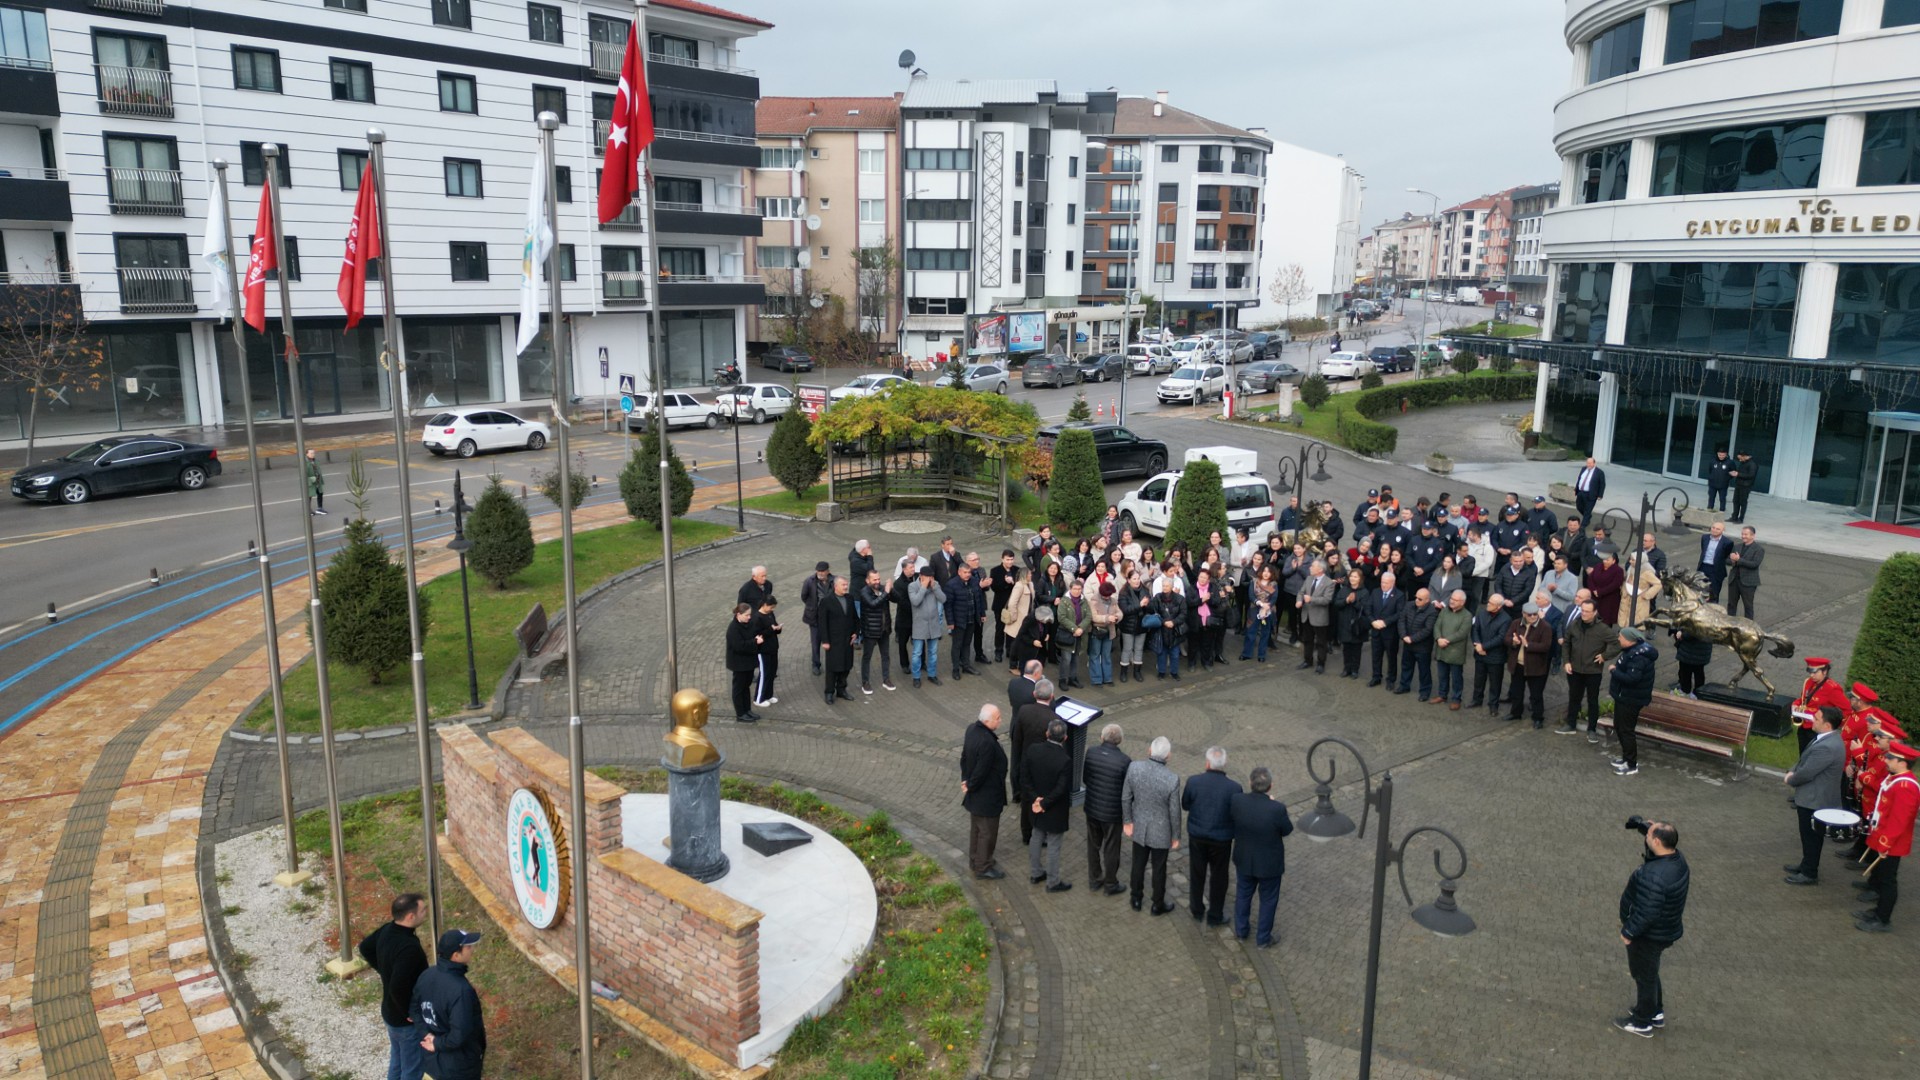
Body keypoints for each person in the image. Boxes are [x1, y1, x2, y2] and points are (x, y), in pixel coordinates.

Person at [1615, 820, 1688, 1038]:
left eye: (1649, 836)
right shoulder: (1677, 860)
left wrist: (1629, 932)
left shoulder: (1654, 876)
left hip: (1648, 935)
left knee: (1644, 976)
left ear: (1656, 841)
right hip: (1665, 930)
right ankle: (1655, 1012)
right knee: (1651, 971)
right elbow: (1659, 840)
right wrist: (1644, 826)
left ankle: (1641, 1021)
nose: (1646, 838)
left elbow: (1648, 912)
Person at [358, 893, 428, 1080]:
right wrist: (409, 1012)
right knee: (412, 1069)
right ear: (411, 916)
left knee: (397, 1062)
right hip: (405, 1022)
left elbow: (365, 947)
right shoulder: (409, 949)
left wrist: (384, 969)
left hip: (390, 1013)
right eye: (423, 910)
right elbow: (398, 987)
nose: (426, 913)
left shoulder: (388, 930)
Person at [1857, 742, 1918, 933]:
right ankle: (1878, 912)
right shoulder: (1896, 779)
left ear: (1902, 762)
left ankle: (1883, 919)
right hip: (1883, 836)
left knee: (1888, 880)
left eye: (1890, 758)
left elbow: (1899, 820)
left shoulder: (1906, 786)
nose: (1886, 760)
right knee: (1882, 877)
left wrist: (1885, 843)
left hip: (1891, 842)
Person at [1230, 766, 1293, 948]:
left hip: (1245, 859)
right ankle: (1263, 938)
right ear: (1270, 786)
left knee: (1243, 895)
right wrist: (1272, 804)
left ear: (1250, 783)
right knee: (1268, 900)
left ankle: (1241, 931)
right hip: (1269, 865)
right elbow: (1287, 830)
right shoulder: (1277, 809)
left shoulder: (1237, 801)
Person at [410, 928, 486, 1080]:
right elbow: (459, 1035)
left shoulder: (427, 975)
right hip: (459, 1066)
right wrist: (437, 1043)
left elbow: (414, 1009)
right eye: (468, 947)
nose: (471, 950)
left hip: (430, 1062)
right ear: (456, 955)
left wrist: (427, 1035)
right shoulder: (461, 990)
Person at [1783, 705, 1846, 885]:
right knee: (1808, 836)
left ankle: (1810, 873)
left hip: (1814, 800)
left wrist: (1791, 779)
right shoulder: (1825, 739)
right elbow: (1805, 759)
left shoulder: (1827, 746)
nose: (1812, 719)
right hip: (1814, 797)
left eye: (1817, 718)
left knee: (1811, 837)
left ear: (1827, 725)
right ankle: (1806, 864)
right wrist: (1792, 770)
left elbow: (1808, 772)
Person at [1122, 736, 1183, 915]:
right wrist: (1176, 835)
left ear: (1149, 750)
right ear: (1168, 756)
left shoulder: (1134, 768)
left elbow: (1126, 797)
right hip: (1161, 831)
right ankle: (1157, 904)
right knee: (1159, 868)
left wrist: (1128, 821)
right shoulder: (1172, 779)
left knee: (1138, 864)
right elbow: (1174, 811)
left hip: (1139, 826)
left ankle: (1136, 898)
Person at [1182, 746, 1241, 926]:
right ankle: (1215, 915)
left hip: (1197, 836)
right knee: (1219, 877)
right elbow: (1235, 814)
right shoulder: (1234, 787)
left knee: (1197, 873)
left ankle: (1197, 909)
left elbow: (1185, 805)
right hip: (1222, 840)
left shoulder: (1193, 782)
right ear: (1224, 764)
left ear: (1207, 763)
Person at [1022, 718, 1074, 892]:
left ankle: (1036, 873)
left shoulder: (1033, 750)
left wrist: (1036, 799)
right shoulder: (1065, 760)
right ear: (1065, 737)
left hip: (1036, 805)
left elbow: (1025, 778)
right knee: (1053, 844)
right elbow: (1061, 789)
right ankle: (1053, 882)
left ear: (1047, 733)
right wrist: (1045, 803)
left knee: (1036, 836)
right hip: (1054, 809)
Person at [960, 703, 1009, 880]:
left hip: (976, 795)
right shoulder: (987, 741)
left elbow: (964, 757)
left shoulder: (971, 729)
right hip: (987, 795)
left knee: (977, 830)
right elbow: (982, 769)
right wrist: (971, 784)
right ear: (987, 721)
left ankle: (976, 859)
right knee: (987, 832)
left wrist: (965, 780)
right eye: (998, 718)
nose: (1000, 720)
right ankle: (983, 866)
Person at [1082, 723, 1132, 895]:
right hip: (1112, 813)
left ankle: (1095, 879)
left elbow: (1086, 778)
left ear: (1102, 737)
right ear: (1120, 740)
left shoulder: (1091, 752)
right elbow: (1127, 791)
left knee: (1093, 845)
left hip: (1092, 808)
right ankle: (1110, 883)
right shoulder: (1125, 761)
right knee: (1111, 847)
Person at [1010, 680, 1058, 847]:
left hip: (1026, 761)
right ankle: (1040, 832)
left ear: (1034, 694)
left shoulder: (1024, 711)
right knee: (1042, 799)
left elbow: (1017, 739)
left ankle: (1026, 834)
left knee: (1026, 799)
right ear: (1051, 697)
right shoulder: (1054, 718)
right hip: (1044, 766)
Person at [1608, 627, 1659, 776]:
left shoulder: (1638, 657)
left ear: (1630, 640)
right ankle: (1626, 758)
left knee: (1626, 730)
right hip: (1624, 696)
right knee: (1619, 726)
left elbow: (1632, 679)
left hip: (1631, 699)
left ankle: (1631, 764)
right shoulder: (1631, 651)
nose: (1619, 639)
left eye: (1621, 637)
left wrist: (1614, 671)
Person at [1561, 598, 1615, 740]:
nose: (1583, 614)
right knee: (1574, 697)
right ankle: (1570, 723)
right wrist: (1566, 661)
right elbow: (1566, 643)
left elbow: (1617, 644)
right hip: (1575, 669)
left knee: (1592, 700)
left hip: (1593, 671)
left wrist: (1605, 656)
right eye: (1582, 610)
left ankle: (1592, 728)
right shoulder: (1575, 624)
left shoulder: (1603, 629)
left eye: (1587, 611)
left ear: (1595, 612)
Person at [1507, 601, 1553, 727]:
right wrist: (1514, 641)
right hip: (1518, 665)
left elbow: (1546, 646)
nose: (1533, 617)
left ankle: (1538, 718)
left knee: (1536, 695)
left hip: (1535, 667)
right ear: (1523, 614)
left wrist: (1528, 645)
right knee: (1517, 692)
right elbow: (1507, 638)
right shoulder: (1516, 623)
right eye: (1530, 615)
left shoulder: (1545, 627)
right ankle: (1516, 713)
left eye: (1535, 614)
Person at [1792, 656, 1850, 754]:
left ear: (1825, 672)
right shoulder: (1808, 682)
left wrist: (1832, 724)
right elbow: (1804, 699)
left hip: (1818, 729)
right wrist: (1795, 704)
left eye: (1815, 672)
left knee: (1814, 757)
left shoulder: (1832, 688)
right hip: (1804, 725)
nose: (1812, 675)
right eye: (1810, 672)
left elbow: (1847, 710)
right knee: (1803, 754)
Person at [1469, 595, 1512, 714]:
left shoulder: (1506, 619)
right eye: (1488, 602)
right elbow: (1475, 629)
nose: (1488, 604)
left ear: (1498, 607)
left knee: (1495, 682)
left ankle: (1493, 704)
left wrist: (1483, 646)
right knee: (1479, 679)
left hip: (1495, 656)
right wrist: (1477, 645)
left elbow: (1500, 638)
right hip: (1480, 653)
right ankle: (1477, 699)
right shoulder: (1481, 613)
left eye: (1491, 603)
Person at [1365, 571, 1406, 688]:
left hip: (1390, 633)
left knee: (1391, 657)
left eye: (1386, 583)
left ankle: (1391, 679)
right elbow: (1368, 608)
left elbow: (1399, 613)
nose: (1383, 585)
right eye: (1382, 582)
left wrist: (1385, 622)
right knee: (1376, 655)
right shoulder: (1375, 592)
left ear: (1393, 583)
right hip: (1376, 630)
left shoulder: (1399, 595)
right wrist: (1372, 621)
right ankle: (1376, 677)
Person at [1433, 589, 1472, 710]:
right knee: (1442, 674)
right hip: (1441, 648)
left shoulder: (1467, 615)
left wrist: (1446, 640)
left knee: (1456, 677)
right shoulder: (1444, 611)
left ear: (1462, 602)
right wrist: (1439, 638)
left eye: (1455, 600)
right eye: (1451, 599)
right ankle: (1442, 695)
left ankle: (1456, 698)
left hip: (1455, 651)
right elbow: (1437, 625)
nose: (1452, 601)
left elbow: (1462, 633)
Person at [1396, 587, 1438, 699]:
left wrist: (1412, 639)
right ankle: (1404, 686)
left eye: (1420, 599)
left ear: (1427, 600)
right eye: (1416, 597)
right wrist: (1404, 635)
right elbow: (1402, 620)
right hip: (1408, 643)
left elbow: (1427, 630)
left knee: (1424, 670)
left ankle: (1425, 691)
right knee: (1406, 666)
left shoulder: (1432, 612)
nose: (1416, 600)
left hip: (1422, 647)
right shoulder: (1409, 605)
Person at [943, 560, 982, 679]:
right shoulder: (951, 585)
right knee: (957, 645)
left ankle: (966, 666)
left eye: (969, 572)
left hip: (971, 619)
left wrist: (981, 614)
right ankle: (955, 669)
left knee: (967, 643)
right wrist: (950, 622)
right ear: (959, 572)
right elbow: (948, 605)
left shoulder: (974, 582)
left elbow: (978, 599)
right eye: (965, 572)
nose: (967, 575)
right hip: (959, 621)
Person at [724, 603, 763, 723]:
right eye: (746, 615)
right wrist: (755, 641)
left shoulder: (748, 624)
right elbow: (739, 646)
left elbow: (754, 632)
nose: (749, 617)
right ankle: (740, 713)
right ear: (738, 615)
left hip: (748, 661)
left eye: (750, 615)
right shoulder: (733, 629)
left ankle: (747, 710)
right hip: (739, 663)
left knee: (746, 687)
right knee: (739, 688)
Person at [858, 569, 895, 694]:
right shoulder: (864, 592)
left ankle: (886, 679)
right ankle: (865, 682)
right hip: (870, 630)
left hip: (884, 630)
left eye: (878, 579)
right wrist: (886, 592)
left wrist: (892, 589)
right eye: (874, 580)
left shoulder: (882, 589)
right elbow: (873, 604)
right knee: (867, 657)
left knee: (886, 656)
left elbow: (897, 598)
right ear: (867, 580)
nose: (877, 582)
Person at [908, 566, 945, 687]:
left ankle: (932, 675)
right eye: (928, 577)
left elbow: (943, 599)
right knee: (917, 653)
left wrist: (934, 587)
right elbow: (915, 601)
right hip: (919, 625)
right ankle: (916, 677)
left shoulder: (935, 584)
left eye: (932, 576)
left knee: (933, 652)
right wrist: (923, 587)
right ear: (921, 576)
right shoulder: (913, 586)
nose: (930, 579)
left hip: (933, 624)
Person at [1296, 559, 1335, 674]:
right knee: (1307, 640)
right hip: (1306, 615)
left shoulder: (1329, 583)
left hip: (1319, 617)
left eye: (1312, 566)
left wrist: (1311, 599)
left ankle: (1321, 663)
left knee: (1321, 642)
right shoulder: (1309, 579)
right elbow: (1301, 592)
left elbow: (1327, 600)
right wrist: (1299, 601)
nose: (1310, 568)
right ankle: (1307, 660)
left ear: (1320, 570)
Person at [1333, 568, 1370, 679]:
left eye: (1355, 577)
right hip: (1344, 623)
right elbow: (1337, 603)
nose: (1353, 579)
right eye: (1351, 576)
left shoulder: (1364, 592)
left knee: (1356, 649)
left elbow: (1365, 609)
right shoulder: (1344, 590)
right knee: (1346, 648)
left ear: (1360, 579)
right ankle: (1346, 668)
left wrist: (1354, 602)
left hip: (1357, 625)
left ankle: (1355, 669)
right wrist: (1346, 601)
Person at [1055, 578, 1092, 688]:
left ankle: (1073, 678)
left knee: (1076, 657)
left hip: (1080, 634)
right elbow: (1061, 618)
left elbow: (1088, 616)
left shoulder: (1084, 600)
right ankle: (1062, 679)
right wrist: (1074, 629)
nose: (1077, 591)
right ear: (1070, 589)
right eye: (1075, 589)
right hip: (1067, 634)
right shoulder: (1064, 601)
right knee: (1066, 659)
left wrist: (1081, 628)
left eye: (1079, 589)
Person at [799, 561, 833, 675]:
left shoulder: (834, 580)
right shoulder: (809, 581)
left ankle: (832, 663)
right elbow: (804, 596)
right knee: (815, 642)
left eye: (823, 571)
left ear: (828, 571)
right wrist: (812, 606)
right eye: (818, 571)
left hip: (830, 617)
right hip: (815, 617)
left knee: (831, 641)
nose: (820, 573)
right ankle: (816, 664)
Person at [1151, 576, 1187, 680]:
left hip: (1175, 631)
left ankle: (1174, 672)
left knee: (1175, 654)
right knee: (1161, 653)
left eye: (1167, 586)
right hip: (1162, 630)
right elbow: (1154, 612)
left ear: (1171, 587)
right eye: (1163, 586)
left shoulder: (1180, 599)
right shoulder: (1157, 598)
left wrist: (1174, 622)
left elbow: (1183, 614)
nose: (1164, 588)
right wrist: (1163, 622)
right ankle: (1161, 672)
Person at [1726, 525, 1764, 620]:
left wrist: (1739, 560)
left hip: (1748, 582)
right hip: (1734, 580)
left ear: (1753, 536)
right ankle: (1729, 624)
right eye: (1742, 534)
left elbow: (1755, 564)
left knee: (1748, 606)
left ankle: (1749, 626)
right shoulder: (1736, 546)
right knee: (1731, 605)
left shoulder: (1759, 549)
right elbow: (1727, 560)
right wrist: (1733, 561)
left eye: (1746, 534)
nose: (1743, 536)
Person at [1088, 579, 1120, 686]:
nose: (1107, 597)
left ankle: (1108, 678)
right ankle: (1096, 679)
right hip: (1097, 631)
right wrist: (1107, 618)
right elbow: (1094, 617)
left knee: (1106, 656)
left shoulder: (1113, 601)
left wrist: (1117, 617)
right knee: (1095, 655)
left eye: (1109, 595)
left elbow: (1119, 612)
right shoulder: (1094, 601)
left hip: (1109, 631)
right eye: (1105, 595)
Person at [752, 596, 781, 708]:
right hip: (763, 650)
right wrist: (771, 630)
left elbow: (774, 626)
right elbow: (757, 634)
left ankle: (768, 695)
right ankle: (758, 698)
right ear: (764, 605)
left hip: (773, 647)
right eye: (771, 607)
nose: (772, 609)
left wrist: (778, 629)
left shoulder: (770, 614)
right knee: (764, 674)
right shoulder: (756, 618)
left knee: (772, 673)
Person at [890, 557, 917, 672]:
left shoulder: (917, 578)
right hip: (904, 618)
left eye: (913, 567)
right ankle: (904, 664)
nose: (913, 569)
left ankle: (921, 662)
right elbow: (900, 601)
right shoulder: (899, 584)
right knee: (902, 643)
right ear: (904, 569)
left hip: (917, 618)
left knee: (919, 641)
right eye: (911, 568)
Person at [1696, 522, 1734, 605]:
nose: (1714, 530)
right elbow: (1703, 550)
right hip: (1703, 567)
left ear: (1723, 530)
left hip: (1716, 570)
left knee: (1714, 593)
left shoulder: (1727, 542)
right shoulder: (1705, 537)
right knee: (1700, 591)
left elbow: (1726, 556)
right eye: (1713, 527)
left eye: (1718, 529)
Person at [1671, 626, 1713, 699]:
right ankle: (1698, 692)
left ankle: (1685, 690)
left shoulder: (1697, 617)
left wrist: (1682, 633)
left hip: (1691, 650)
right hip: (1702, 649)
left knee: (1686, 671)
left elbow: (1693, 631)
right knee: (1699, 672)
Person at [1586, 548, 1625, 626]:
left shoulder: (1618, 570)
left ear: (1613, 561)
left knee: (1605, 620)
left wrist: (1600, 592)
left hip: (1609, 599)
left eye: (1607, 560)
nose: (1605, 561)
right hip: (1595, 597)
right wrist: (1594, 590)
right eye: (1604, 559)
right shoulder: (1598, 566)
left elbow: (1615, 584)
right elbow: (1591, 579)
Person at [1573, 455, 1606, 524]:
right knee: (1579, 506)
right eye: (1587, 463)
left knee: (1588, 510)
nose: (1589, 465)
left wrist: (1600, 495)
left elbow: (1602, 484)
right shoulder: (1583, 469)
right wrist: (1576, 489)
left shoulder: (1599, 472)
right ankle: (1587, 517)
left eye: (1590, 463)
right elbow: (1579, 479)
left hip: (1591, 494)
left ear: (1594, 463)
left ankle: (1583, 526)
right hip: (1581, 492)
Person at [1729, 450, 1758, 523]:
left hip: (1746, 485)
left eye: (1741, 458)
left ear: (1745, 456)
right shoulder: (1743, 463)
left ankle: (1741, 518)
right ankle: (1734, 516)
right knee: (1736, 501)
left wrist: (1738, 474)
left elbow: (1751, 475)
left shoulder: (1752, 464)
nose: (1739, 460)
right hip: (1739, 484)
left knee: (1743, 502)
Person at [1705, 447, 1733, 512]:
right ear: (1717, 454)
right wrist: (1711, 478)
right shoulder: (1713, 461)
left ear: (1726, 454)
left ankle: (1722, 511)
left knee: (1722, 499)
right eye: (1720, 455)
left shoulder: (1730, 462)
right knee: (1711, 498)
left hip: (1723, 485)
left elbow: (1732, 472)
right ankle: (1709, 510)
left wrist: (1726, 479)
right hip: (1712, 484)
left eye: (1723, 455)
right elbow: (1710, 470)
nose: (1721, 456)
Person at [305, 448, 327, 515]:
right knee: (309, 496)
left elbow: (318, 470)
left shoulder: (315, 461)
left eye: (314, 453)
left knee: (320, 493)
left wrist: (320, 479)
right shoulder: (305, 462)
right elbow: (304, 474)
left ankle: (320, 508)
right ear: (307, 454)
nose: (313, 454)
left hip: (317, 480)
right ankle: (308, 510)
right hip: (310, 482)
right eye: (311, 453)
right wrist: (312, 479)